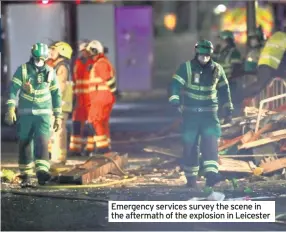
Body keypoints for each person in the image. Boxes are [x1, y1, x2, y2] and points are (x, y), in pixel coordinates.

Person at [168, 39, 233, 189]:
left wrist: (228, 108)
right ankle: (191, 179)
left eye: (207, 56)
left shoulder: (217, 69)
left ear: (211, 54)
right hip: (191, 115)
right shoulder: (186, 68)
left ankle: (211, 176)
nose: (204, 58)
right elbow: (175, 84)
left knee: (210, 144)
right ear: (196, 53)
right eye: (201, 55)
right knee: (190, 146)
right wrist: (174, 99)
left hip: (209, 115)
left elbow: (224, 90)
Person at [5, 42, 62, 187]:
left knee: (42, 141)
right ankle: (26, 174)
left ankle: (42, 172)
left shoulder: (50, 71)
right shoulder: (23, 70)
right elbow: (12, 89)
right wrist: (11, 108)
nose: (39, 62)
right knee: (25, 143)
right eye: (37, 58)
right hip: (26, 114)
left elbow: (56, 94)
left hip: (43, 114)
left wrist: (58, 115)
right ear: (32, 56)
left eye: (42, 59)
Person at [86, 40, 117, 155]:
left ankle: (102, 148)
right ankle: (105, 146)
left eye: (91, 53)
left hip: (101, 98)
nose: (89, 56)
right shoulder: (102, 63)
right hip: (103, 97)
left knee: (94, 121)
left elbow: (108, 79)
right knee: (102, 123)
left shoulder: (101, 64)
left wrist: (113, 92)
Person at [47, 41, 73, 164]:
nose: (50, 52)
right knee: (54, 132)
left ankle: (59, 158)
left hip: (60, 106)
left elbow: (60, 87)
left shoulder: (61, 67)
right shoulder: (55, 66)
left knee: (58, 132)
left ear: (62, 52)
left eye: (54, 50)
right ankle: (55, 157)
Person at [69, 40, 95, 156]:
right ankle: (75, 149)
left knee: (90, 125)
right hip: (79, 100)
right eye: (81, 50)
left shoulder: (93, 63)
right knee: (76, 124)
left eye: (84, 50)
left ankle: (90, 149)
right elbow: (75, 81)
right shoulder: (78, 62)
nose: (82, 52)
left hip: (90, 99)